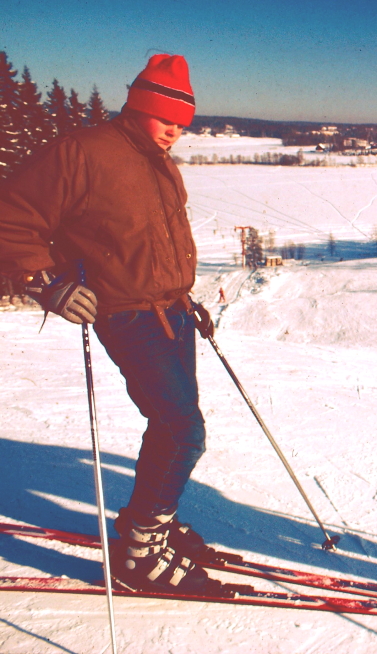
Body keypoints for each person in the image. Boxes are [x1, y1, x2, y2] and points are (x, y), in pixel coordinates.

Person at [0, 55, 223, 595]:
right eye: (165, 118)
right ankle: (139, 554)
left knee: (176, 424)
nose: (175, 130)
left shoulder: (158, 161)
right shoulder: (84, 152)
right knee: (180, 428)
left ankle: (149, 521)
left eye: (183, 123)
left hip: (171, 311)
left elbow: (149, 237)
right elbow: (12, 212)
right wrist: (45, 282)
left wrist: (184, 294)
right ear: (139, 105)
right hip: (126, 312)